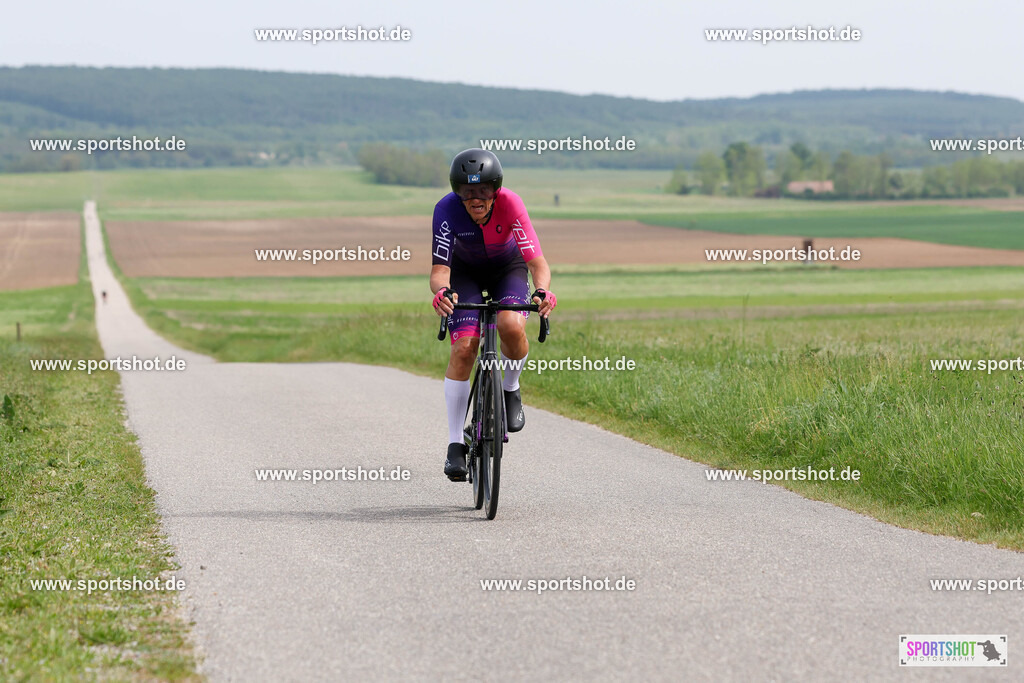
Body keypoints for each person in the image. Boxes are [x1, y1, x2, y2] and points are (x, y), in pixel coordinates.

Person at [430, 149, 556, 481]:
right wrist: (442, 293)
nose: (475, 198)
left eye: (483, 190)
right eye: (467, 191)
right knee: (464, 348)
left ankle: (510, 388)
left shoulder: (511, 204)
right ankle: (455, 444)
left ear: (495, 190)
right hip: (465, 273)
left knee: (511, 324)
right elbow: (440, 271)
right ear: (458, 192)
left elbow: (537, 263)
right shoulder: (445, 210)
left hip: (507, 269)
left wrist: (541, 290)